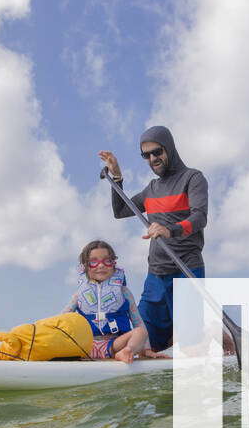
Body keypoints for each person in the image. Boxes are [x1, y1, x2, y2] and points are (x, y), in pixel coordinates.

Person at [99, 125, 208, 352]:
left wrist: (171, 230)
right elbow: (120, 211)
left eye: (157, 152)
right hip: (156, 276)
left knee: (186, 344)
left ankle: (213, 339)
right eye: (146, 155)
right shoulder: (151, 189)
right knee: (145, 342)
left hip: (186, 269)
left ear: (169, 148)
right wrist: (117, 177)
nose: (152, 158)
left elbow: (200, 217)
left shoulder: (193, 178)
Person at [63, 240, 166, 363]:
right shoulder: (79, 295)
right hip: (86, 345)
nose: (101, 266)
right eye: (93, 262)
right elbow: (62, 319)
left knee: (141, 332)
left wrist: (147, 349)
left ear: (113, 264)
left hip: (114, 345)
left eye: (107, 261)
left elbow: (137, 321)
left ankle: (127, 351)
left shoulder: (123, 292)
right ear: (85, 266)